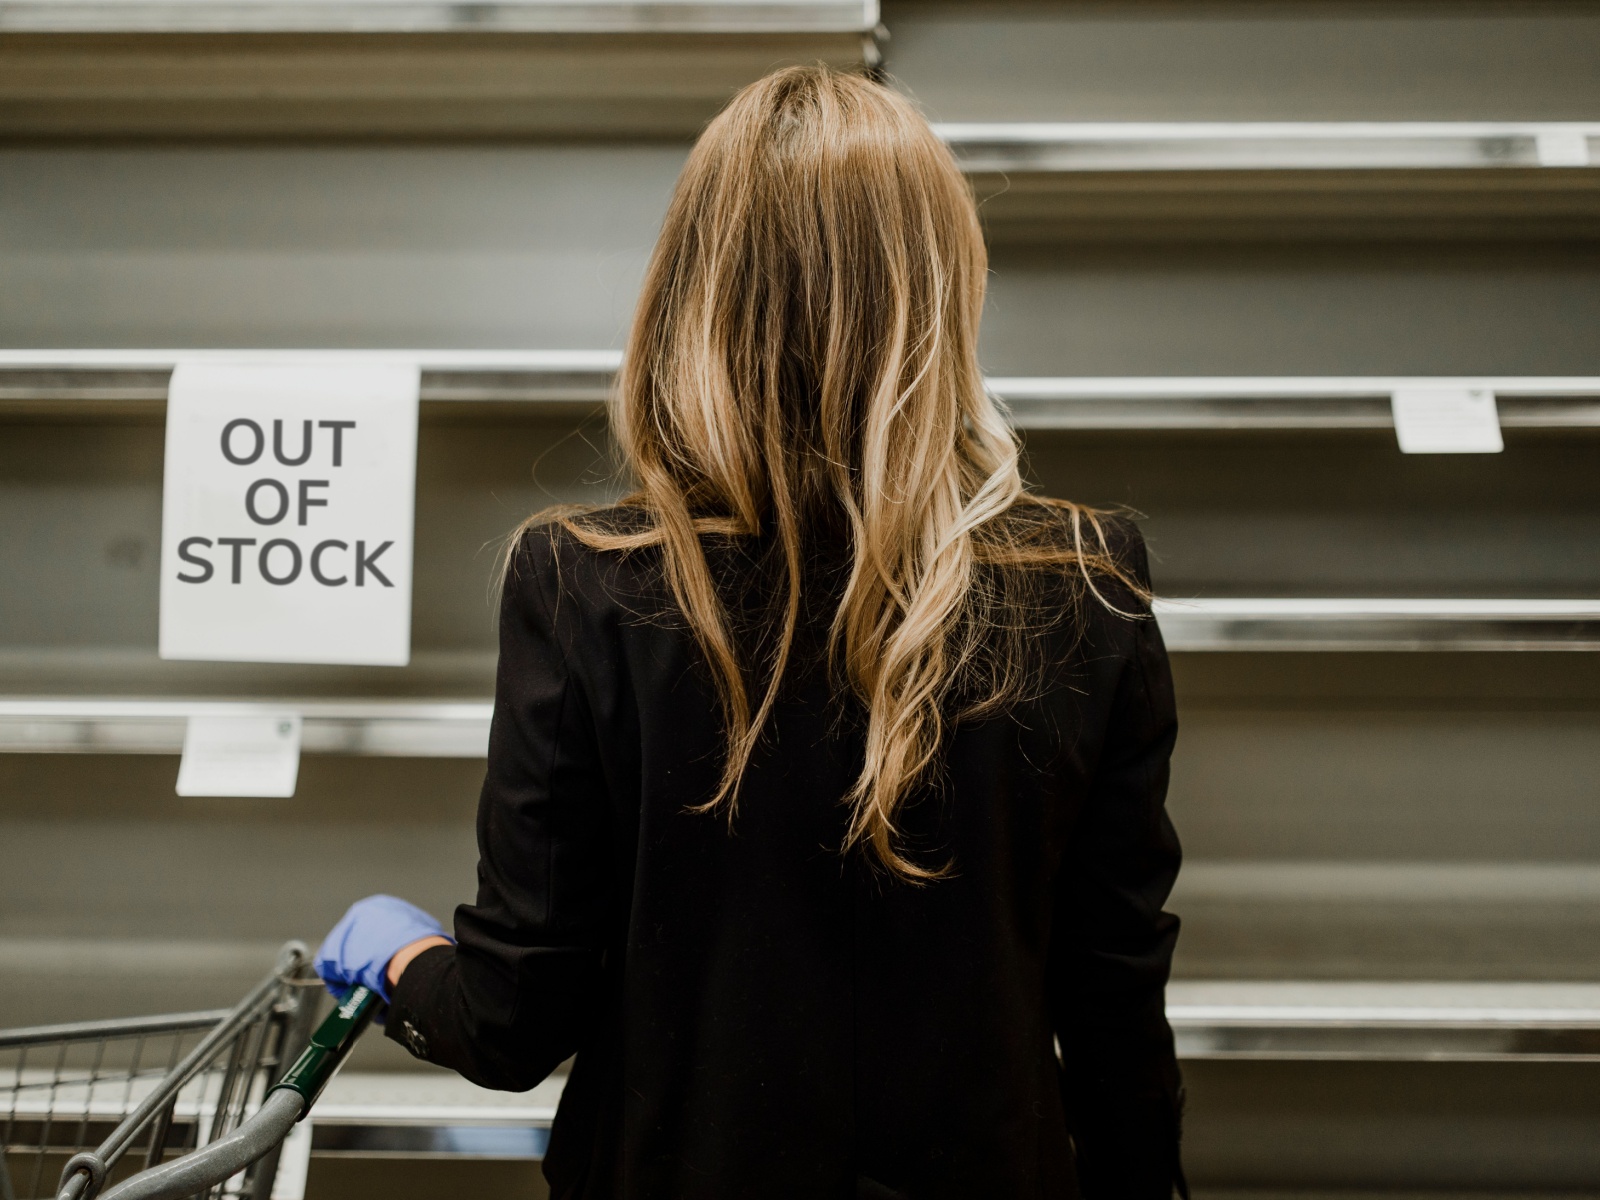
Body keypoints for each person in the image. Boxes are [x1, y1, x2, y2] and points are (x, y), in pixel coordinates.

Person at [316, 64, 1185, 1200]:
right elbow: (1113, 1006)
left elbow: (515, 1021)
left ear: (695, 290)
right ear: (942, 288)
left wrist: (401, 958)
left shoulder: (588, 583)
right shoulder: (1082, 581)